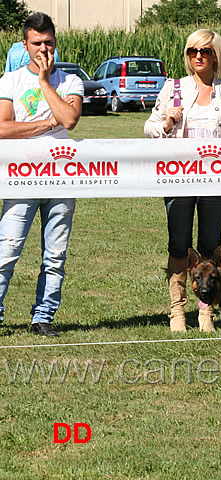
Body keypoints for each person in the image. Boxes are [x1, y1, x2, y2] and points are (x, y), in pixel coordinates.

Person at [144, 29, 221, 333]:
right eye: (193, 51)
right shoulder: (173, 89)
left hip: (217, 180)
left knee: (210, 245)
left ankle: (206, 312)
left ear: (216, 54)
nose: (198, 57)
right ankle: (177, 310)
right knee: (178, 243)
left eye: (205, 51)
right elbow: (150, 128)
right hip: (178, 178)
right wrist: (167, 122)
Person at [0, 12, 83, 337]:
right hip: (21, 178)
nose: (43, 49)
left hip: (62, 178)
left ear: (55, 42)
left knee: (56, 254)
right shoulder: (9, 81)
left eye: (48, 43)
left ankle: (44, 315)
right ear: (25, 44)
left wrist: (45, 82)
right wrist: (49, 123)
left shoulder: (70, 81)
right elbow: (3, 128)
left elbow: (71, 119)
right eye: (36, 43)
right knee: (7, 249)